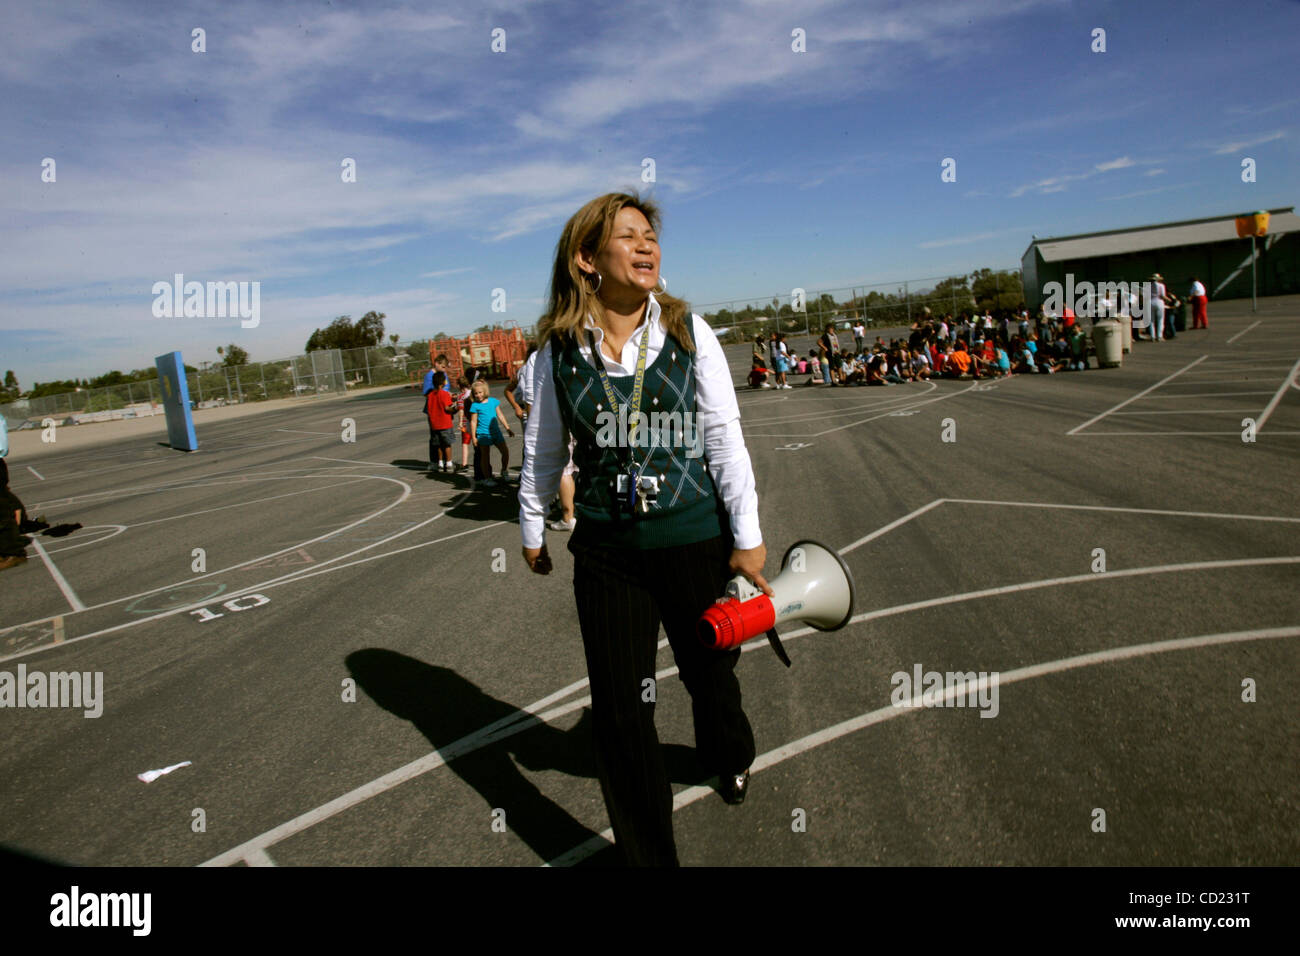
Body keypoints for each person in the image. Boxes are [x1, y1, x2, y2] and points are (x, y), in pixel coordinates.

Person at [518, 192, 769, 866]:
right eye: (627, 236)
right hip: (607, 553)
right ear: (587, 259)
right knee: (622, 715)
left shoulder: (692, 331)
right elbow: (544, 450)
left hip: (693, 540)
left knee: (711, 677)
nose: (647, 244)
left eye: (650, 234)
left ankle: (729, 753)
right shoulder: (556, 352)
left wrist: (745, 537)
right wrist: (534, 529)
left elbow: (723, 436)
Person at [469, 379, 514, 486]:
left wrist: (507, 428)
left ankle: (504, 471)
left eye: (480, 392)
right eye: (475, 393)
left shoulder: (493, 401)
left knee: (505, 452)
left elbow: (500, 415)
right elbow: (473, 422)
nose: (478, 395)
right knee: (485, 456)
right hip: (483, 434)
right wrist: (474, 437)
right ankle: (487, 478)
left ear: (485, 391)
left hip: (496, 432)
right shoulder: (475, 405)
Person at [423, 371, 458, 472]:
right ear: (443, 382)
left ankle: (440, 463)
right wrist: (455, 407)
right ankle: (449, 463)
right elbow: (447, 408)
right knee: (447, 444)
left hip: (434, 424)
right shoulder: (444, 394)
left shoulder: (430, 395)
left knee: (438, 445)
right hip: (445, 424)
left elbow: (429, 409)